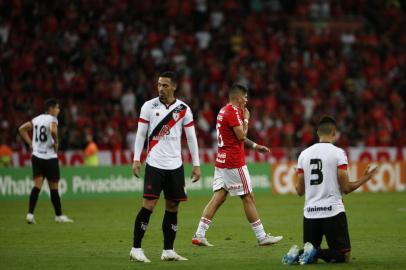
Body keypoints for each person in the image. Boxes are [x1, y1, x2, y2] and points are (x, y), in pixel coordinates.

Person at [191, 84, 283, 247]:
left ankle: (199, 234)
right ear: (238, 97)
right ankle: (262, 237)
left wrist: (255, 146)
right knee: (248, 197)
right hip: (234, 162)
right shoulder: (233, 112)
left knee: (218, 197)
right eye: (245, 97)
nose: (247, 100)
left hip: (222, 160)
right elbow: (241, 136)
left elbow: (237, 137)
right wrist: (247, 119)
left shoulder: (223, 110)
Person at [282, 115, 378, 265]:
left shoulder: (304, 155)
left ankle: (298, 253)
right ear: (334, 132)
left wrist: (298, 176)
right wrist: (366, 178)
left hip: (310, 214)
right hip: (332, 211)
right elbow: (346, 188)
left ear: (317, 132)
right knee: (342, 256)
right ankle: (312, 251)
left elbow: (299, 191)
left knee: (310, 257)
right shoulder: (338, 153)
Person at [129, 71, 201, 263]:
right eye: (159, 85)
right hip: (154, 164)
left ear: (174, 87)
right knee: (149, 205)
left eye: (165, 85)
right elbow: (140, 134)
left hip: (175, 166)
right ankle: (136, 248)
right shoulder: (148, 106)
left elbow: (192, 138)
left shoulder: (183, 109)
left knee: (173, 207)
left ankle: (168, 250)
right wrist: (137, 158)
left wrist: (196, 164)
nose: (161, 88)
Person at [18, 98, 73, 224]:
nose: (58, 110)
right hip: (49, 158)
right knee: (54, 188)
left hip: (36, 157)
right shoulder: (53, 119)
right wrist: (56, 142)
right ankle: (58, 216)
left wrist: (30, 143)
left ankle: (30, 215)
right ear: (51, 109)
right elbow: (53, 130)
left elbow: (21, 129)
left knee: (37, 187)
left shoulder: (36, 119)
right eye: (57, 108)